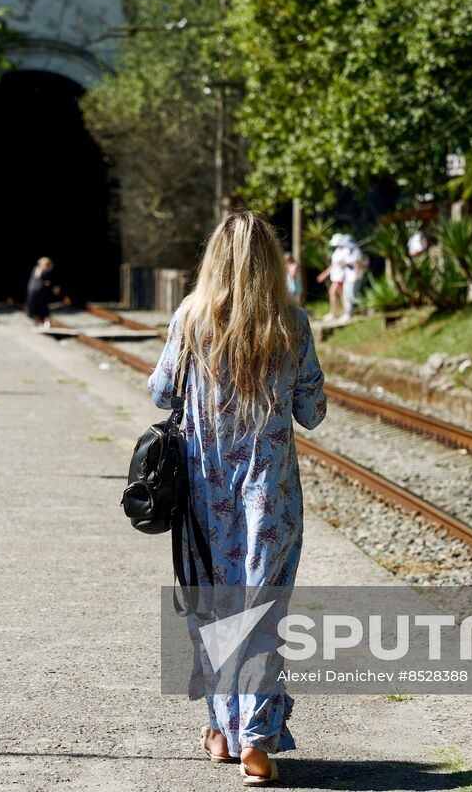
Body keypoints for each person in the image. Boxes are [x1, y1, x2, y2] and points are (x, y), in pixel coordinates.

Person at [148, 212, 327, 785]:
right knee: (262, 611)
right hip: (270, 497)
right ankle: (254, 738)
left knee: (216, 608)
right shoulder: (291, 323)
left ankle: (222, 730)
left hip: (205, 494)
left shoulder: (191, 317)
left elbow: (161, 391)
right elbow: (312, 411)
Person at [314, 232, 359, 323]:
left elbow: (348, 263)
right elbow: (333, 265)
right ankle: (344, 311)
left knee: (333, 292)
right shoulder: (337, 252)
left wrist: (343, 264)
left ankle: (335, 313)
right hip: (336, 276)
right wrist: (324, 274)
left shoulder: (346, 251)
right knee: (342, 295)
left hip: (341, 277)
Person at [25, 257, 59, 328]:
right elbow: (46, 281)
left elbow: (38, 278)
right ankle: (46, 323)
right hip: (40, 291)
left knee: (34, 307)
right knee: (43, 307)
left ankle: (37, 323)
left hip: (31, 290)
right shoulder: (45, 271)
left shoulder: (36, 268)